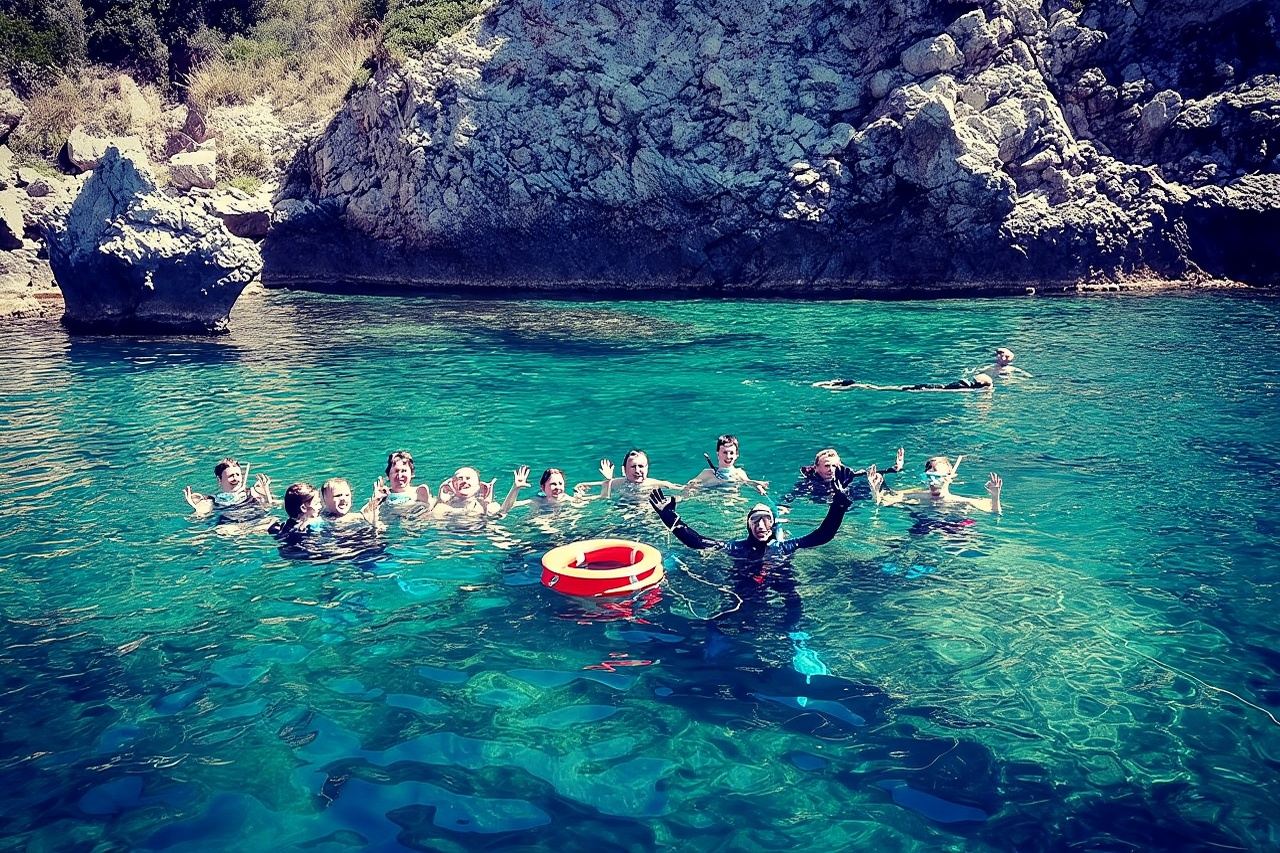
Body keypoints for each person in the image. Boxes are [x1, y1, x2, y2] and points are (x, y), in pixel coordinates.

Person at [647, 465, 857, 632]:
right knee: (724, 619)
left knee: (793, 603)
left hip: (780, 584)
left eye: (766, 520)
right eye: (755, 521)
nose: (761, 526)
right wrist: (669, 516)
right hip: (744, 589)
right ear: (748, 525)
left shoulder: (784, 547)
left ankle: (794, 636)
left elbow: (823, 535)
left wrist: (838, 506)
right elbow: (697, 542)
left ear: (773, 525)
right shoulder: (736, 548)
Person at [867, 456, 1002, 515]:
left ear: (950, 478)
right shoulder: (913, 496)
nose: (933, 482)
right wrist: (875, 491)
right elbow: (881, 503)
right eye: (929, 477)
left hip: (952, 527)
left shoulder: (961, 501)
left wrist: (995, 497)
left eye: (937, 477)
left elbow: (994, 513)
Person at [780, 446, 904, 506]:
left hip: (843, 496)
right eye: (827, 466)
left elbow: (863, 473)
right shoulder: (808, 483)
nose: (831, 470)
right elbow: (791, 495)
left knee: (862, 484)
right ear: (816, 467)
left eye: (834, 466)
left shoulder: (843, 473)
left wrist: (894, 468)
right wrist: (783, 506)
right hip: (822, 500)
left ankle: (877, 494)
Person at [183, 458, 273, 517]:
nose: (235, 478)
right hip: (230, 525)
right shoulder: (214, 500)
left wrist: (267, 493)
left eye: (237, 474)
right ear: (220, 480)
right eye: (231, 476)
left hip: (256, 521)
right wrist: (195, 507)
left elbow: (271, 506)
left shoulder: (253, 492)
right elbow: (200, 517)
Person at [683, 434, 769, 495]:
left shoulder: (739, 473)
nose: (728, 456)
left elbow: (747, 482)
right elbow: (688, 487)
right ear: (717, 454)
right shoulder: (707, 473)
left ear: (737, 455)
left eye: (731, 453)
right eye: (724, 452)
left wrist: (757, 486)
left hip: (734, 503)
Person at [577, 449, 684, 498]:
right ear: (624, 470)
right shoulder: (617, 483)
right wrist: (579, 488)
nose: (637, 470)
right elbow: (584, 485)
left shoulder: (657, 485)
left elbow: (683, 490)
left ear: (647, 468)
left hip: (647, 518)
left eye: (641, 466)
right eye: (633, 467)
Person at [432, 465, 528, 517]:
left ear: (479, 486)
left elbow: (502, 513)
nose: (464, 481)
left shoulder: (487, 504)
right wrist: (440, 500)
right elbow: (434, 519)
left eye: (468, 478)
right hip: (451, 537)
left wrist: (515, 488)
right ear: (452, 484)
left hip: (481, 536)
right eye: (460, 478)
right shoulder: (443, 505)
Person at [814, 374, 994, 391]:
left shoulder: (964, 385)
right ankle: (850, 385)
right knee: (881, 389)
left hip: (927, 386)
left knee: (880, 388)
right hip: (924, 389)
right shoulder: (965, 389)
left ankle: (850, 385)